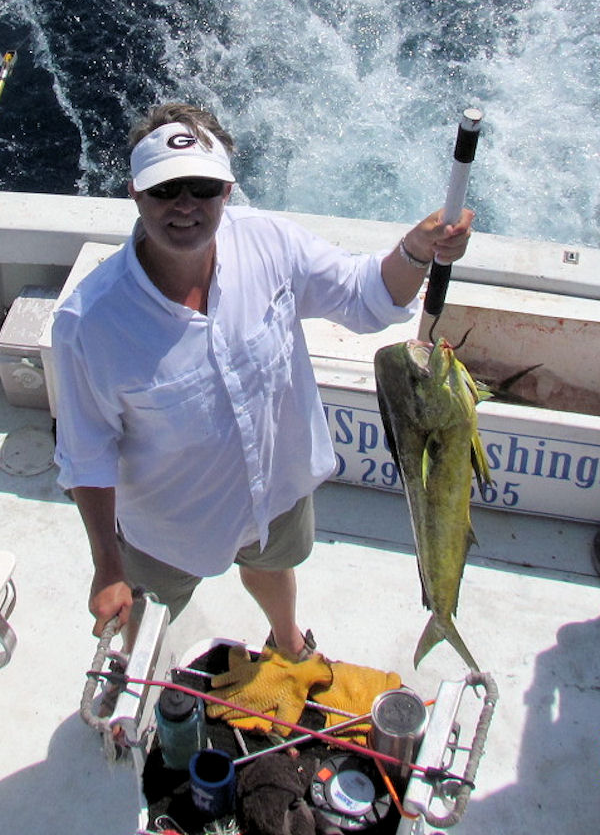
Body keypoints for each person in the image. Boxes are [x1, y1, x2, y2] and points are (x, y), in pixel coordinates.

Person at [52, 102, 474, 658]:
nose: (184, 205)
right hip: (168, 527)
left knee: (275, 566)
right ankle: (126, 683)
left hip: (274, 489)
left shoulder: (270, 243)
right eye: (164, 190)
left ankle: (289, 641)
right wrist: (107, 566)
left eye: (202, 187)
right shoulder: (88, 324)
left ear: (228, 190)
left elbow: (363, 294)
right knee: (141, 621)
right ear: (134, 192)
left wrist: (416, 252)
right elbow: (88, 455)